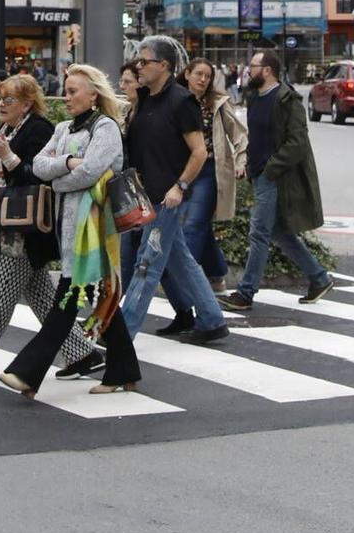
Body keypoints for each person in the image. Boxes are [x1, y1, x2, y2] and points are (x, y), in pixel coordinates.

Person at [0, 74, 100, 389]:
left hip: (24, 233)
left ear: (27, 103)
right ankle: (82, 353)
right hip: (10, 227)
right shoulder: (10, 129)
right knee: (42, 296)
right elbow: (4, 174)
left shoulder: (39, 129)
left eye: (9, 99)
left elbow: (37, 176)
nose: (1, 104)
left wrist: (5, 158)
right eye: (0, 98)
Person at [0, 65, 141, 397]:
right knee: (98, 297)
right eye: (66, 89)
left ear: (93, 94)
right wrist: (66, 164)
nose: (67, 96)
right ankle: (124, 370)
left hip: (94, 229)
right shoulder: (63, 128)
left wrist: (60, 174)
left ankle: (27, 373)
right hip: (70, 229)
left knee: (68, 299)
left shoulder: (105, 128)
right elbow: (38, 165)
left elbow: (90, 171)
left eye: (74, 90)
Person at [118, 35, 229, 343]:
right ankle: (212, 319)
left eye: (144, 61)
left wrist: (179, 187)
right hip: (145, 195)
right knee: (180, 259)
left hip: (167, 197)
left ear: (163, 65)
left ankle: (122, 335)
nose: (138, 66)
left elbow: (199, 152)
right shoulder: (145, 100)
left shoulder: (181, 101)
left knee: (147, 263)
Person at [221, 48, 334, 308]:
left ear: (268, 70)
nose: (249, 70)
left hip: (275, 176)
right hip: (260, 174)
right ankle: (318, 277)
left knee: (259, 232)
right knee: (279, 232)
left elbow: (298, 142)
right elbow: (256, 137)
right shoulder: (254, 96)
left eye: (254, 66)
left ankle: (246, 293)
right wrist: (249, 162)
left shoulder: (286, 99)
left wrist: (271, 167)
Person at [164, 58, 245, 311]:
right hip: (180, 170)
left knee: (194, 224)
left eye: (207, 76)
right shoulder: (173, 100)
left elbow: (239, 134)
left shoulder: (217, 104)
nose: (202, 79)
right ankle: (217, 273)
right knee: (197, 226)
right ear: (186, 74)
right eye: (198, 74)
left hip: (208, 169)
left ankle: (185, 284)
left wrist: (241, 160)